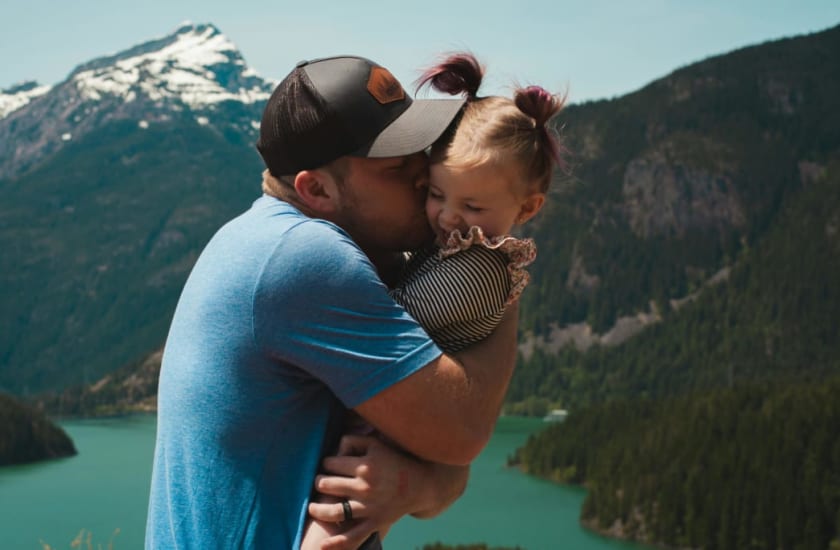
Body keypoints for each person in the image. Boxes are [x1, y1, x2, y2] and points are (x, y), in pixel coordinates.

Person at [145, 54, 521, 550]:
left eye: (420, 152)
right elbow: (462, 430)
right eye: (396, 167)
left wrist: (409, 485)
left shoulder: (258, 237)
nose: (424, 176)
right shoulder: (305, 259)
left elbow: (442, 464)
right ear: (316, 188)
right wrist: (500, 264)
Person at [302, 52, 568, 549]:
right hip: (392, 420)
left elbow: (395, 315)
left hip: (387, 433)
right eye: (436, 193)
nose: (446, 216)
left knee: (329, 536)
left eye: (471, 205)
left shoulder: (478, 268)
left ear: (528, 208)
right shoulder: (458, 245)